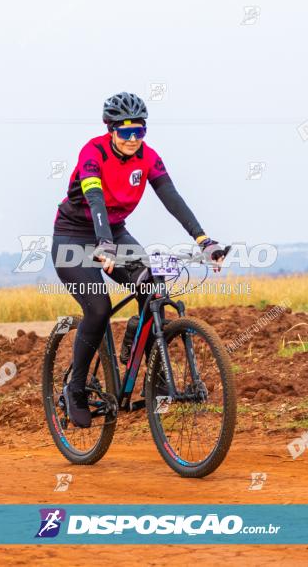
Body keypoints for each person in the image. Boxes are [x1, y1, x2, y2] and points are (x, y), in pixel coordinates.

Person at [52, 91, 225, 428]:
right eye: (125, 132)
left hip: (115, 233)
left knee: (153, 288)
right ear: (110, 130)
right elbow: (95, 199)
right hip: (73, 235)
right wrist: (103, 243)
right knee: (99, 308)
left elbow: (172, 198)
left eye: (139, 131)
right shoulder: (93, 152)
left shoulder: (148, 157)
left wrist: (203, 239)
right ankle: (75, 389)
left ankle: (148, 366)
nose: (133, 139)